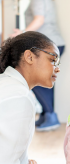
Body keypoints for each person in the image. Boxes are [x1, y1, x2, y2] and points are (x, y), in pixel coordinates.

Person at [0, 31, 64, 164]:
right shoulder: (19, 97)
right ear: (29, 57)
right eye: (53, 60)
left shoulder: (10, 84)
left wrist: (21, 157)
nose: (57, 69)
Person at [11, 0, 65, 131]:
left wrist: (21, 34)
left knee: (37, 78)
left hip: (47, 45)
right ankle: (46, 115)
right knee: (44, 79)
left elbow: (39, 20)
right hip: (49, 44)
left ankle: (51, 116)